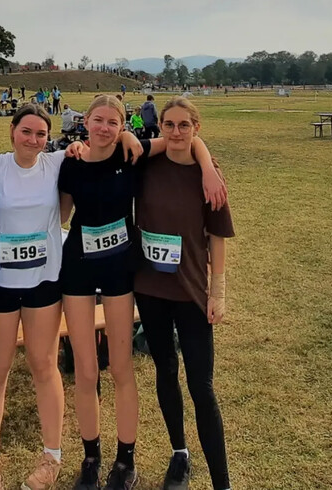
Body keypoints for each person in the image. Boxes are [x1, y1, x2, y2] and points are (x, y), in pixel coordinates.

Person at [0, 105, 143, 490]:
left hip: (44, 282)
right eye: (26, 131)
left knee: (44, 366)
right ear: (12, 131)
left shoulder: (57, 161)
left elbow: (100, 142)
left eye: (40, 134)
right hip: (0, 283)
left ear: (48, 138)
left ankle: (51, 457)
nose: (33, 139)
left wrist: (126, 133)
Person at [58, 95, 226, 490]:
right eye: (97, 120)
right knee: (86, 369)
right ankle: (91, 457)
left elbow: (186, 138)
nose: (104, 128)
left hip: (121, 268)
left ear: (123, 126)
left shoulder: (132, 154)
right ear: (85, 121)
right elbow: (61, 215)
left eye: (113, 122)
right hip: (78, 267)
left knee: (121, 367)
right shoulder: (70, 162)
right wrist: (71, 149)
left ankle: (125, 461)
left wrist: (207, 168)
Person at [133, 96, 234, 490]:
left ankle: (222, 482)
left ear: (197, 129)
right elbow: (117, 145)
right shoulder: (146, 165)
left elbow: (217, 238)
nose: (176, 132)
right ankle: (180, 453)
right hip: (151, 288)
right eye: (169, 125)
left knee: (201, 387)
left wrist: (217, 292)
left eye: (184, 125)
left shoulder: (210, 177)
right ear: (159, 127)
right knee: (165, 371)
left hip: (191, 291)